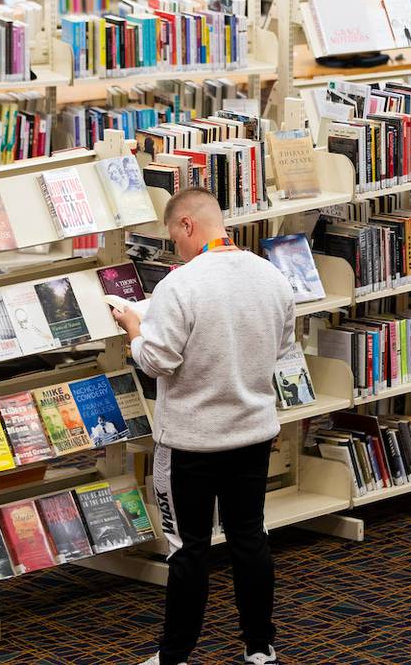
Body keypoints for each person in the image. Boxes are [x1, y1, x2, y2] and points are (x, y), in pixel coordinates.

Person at [113, 188, 291, 665]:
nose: (176, 250)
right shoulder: (272, 276)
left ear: (187, 225)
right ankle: (260, 647)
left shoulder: (180, 285)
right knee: (249, 539)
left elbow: (157, 361)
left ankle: (175, 655)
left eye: (174, 238)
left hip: (190, 441)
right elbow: (281, 347)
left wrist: (134, 330)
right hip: (252, 433)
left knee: (187, 549)